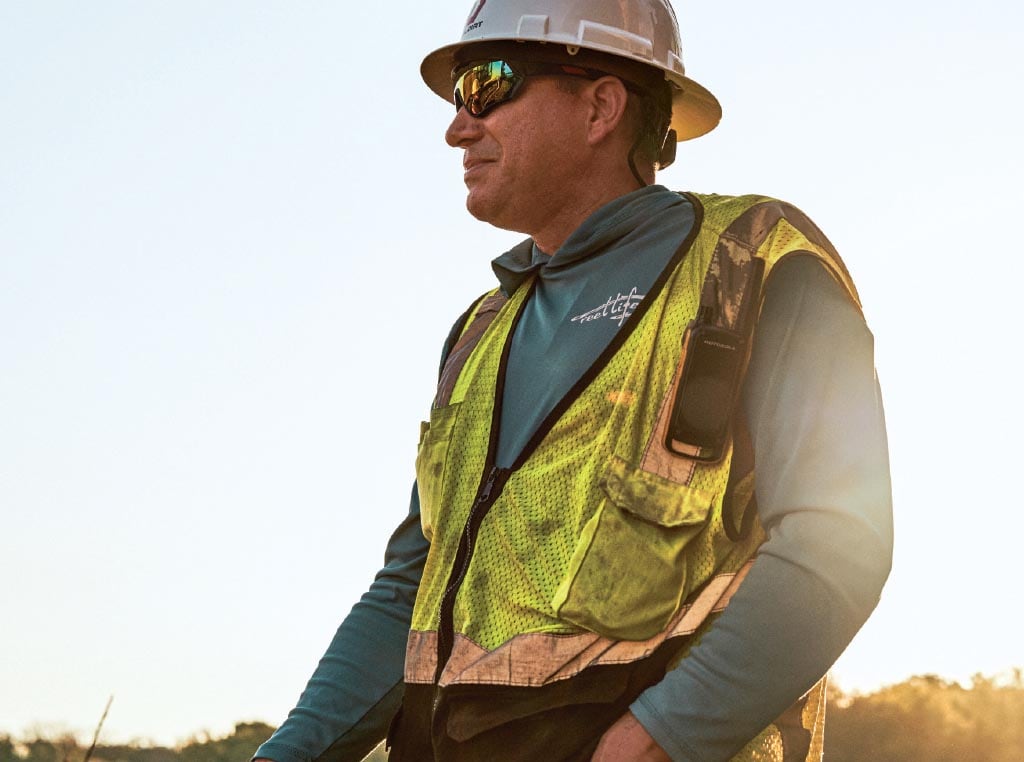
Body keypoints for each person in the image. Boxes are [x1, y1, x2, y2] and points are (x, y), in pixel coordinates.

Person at [253, 0, 893, 760]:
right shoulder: (479, 334)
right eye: (457, 97)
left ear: (600, 106)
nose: (458, 125)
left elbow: (838, 543)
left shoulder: (755, 267)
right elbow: (408, 591)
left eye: (488, 85)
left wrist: (652, 740)